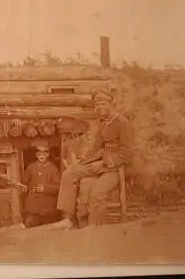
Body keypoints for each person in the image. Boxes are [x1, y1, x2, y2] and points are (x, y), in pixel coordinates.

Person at [54, 89, 133, 230]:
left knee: (97, 194)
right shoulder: (101, 123)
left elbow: (127, 154)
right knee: (69, 174)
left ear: (112, 103)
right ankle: (69, 219)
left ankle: (96, 228)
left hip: (114, 169)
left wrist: (103, 163)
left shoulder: (122, 123)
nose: (100, 106)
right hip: (98, 163)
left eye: (103, 102)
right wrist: (86, 159)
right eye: (97, 103)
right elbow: (97, 147)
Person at [21, 140, 61, 228]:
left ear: (48, 154)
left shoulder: (53, 169)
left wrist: (45, 188)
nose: (41, 156)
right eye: (39, 153)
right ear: (36, 155)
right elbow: (24, 184)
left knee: (48, 233)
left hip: (48, 209)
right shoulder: (30, 168)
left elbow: (59, 187)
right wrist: (24, 188)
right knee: (29, 229)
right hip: (33, 208)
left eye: (44, 153)